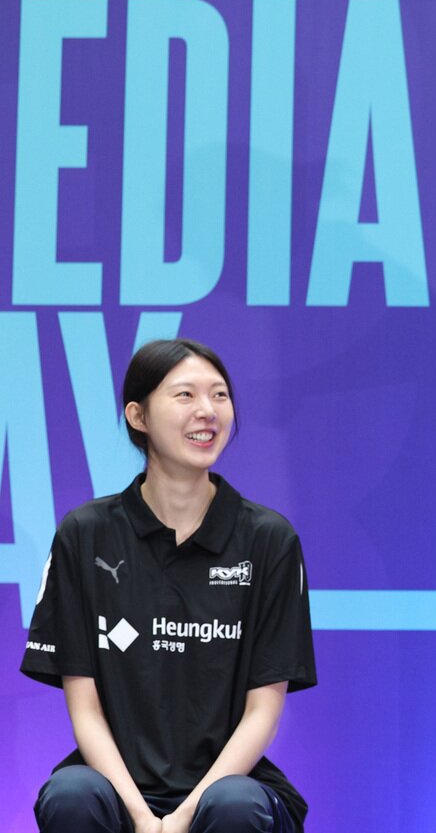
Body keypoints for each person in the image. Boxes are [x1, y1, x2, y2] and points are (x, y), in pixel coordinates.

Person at [21, 338, 317, 833]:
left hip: (232, 786)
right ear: (138, 416)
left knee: (234, 806)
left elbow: (263, 710)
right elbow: (85, 708)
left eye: (219, 395)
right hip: (116, 787)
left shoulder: (268, 539)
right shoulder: (86, 534)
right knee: (71, 795)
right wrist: (141, 816)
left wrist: (182, 817)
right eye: (185, 395)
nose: (208, 411)